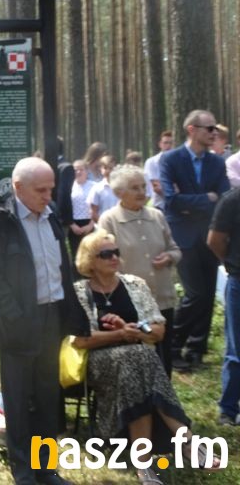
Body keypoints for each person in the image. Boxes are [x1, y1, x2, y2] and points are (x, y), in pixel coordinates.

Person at [0, 157, 88, 485]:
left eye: (51, 189)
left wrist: (70, 313)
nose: (48, 196)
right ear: (18, 187)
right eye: (41, 190)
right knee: (19, 401)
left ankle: (45, 469)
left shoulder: (51, 216)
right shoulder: (1, 221)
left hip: (51, 317)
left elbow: (61, 268)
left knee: (48, 398)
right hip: (17, 323)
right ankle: (23, 472)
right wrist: (14, 315)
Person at [71, 231, 219, 482]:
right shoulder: (79, 293)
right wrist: (119, 334)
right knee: (141, 357)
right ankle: (187, 442)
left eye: (116, 252)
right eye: (106, 254)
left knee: (137, 361)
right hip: (98, 361)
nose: (114, 257)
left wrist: (138, 329)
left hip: (136, 360)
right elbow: (80, 339)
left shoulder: (134, 285)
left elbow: (157, 330)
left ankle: (144, 465)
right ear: (90, 260)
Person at [160, 109, 230, 371]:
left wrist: (190, 202)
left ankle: (196, 350)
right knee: (195, 293)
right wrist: (206, 198)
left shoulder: (217, 162)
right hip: (183, 238)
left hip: (210, 236)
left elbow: (223, 198)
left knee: (208, 293)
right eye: (209, 128)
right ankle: (173, 345)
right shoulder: (171, 159)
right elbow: (171, 200)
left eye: (215, 129)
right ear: (191, 130)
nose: (214, 133)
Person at [98, 164, 181, 376]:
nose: (142, 192)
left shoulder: (157, 216)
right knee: (137, 361)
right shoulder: (109, 220)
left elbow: (174, 249)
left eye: (143, 186)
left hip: (162, 299)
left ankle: (164, 397)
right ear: (119, 192)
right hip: (131, 303)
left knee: (163, 358)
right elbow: (102, 259)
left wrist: (169, 257)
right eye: (135, 188)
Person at [207, 186, 240, 425]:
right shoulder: (233, 200)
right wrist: (232, 263)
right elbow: (215, 240)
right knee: (237, 349)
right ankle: (228, 409)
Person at [66, 160, 95, 263]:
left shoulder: (94, 186)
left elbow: (97, 207)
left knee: (91, 255)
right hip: (74, 226)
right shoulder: (68, 187)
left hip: (90, 224)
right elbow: (65, 207)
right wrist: (72, 225)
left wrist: (90, 225)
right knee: (77, 256)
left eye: (81, 169)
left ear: (87, 171)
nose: (78, 172)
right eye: (75, 170)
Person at [143, 130, 174, 211]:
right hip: (159, 206)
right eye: (165, 143)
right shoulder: (151, 162)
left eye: (171, 143)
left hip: (176, 207)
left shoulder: (179, 162)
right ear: (160, 144)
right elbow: (156, 186)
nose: (168, 146)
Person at [86, 154, 118, 221]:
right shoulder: (97, 188)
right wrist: (103, 223)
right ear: (100, 169)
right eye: (105, 168)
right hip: (102, 224)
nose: (108, 171)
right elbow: (93, 211)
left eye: (111, 168)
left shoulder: (122, 187)